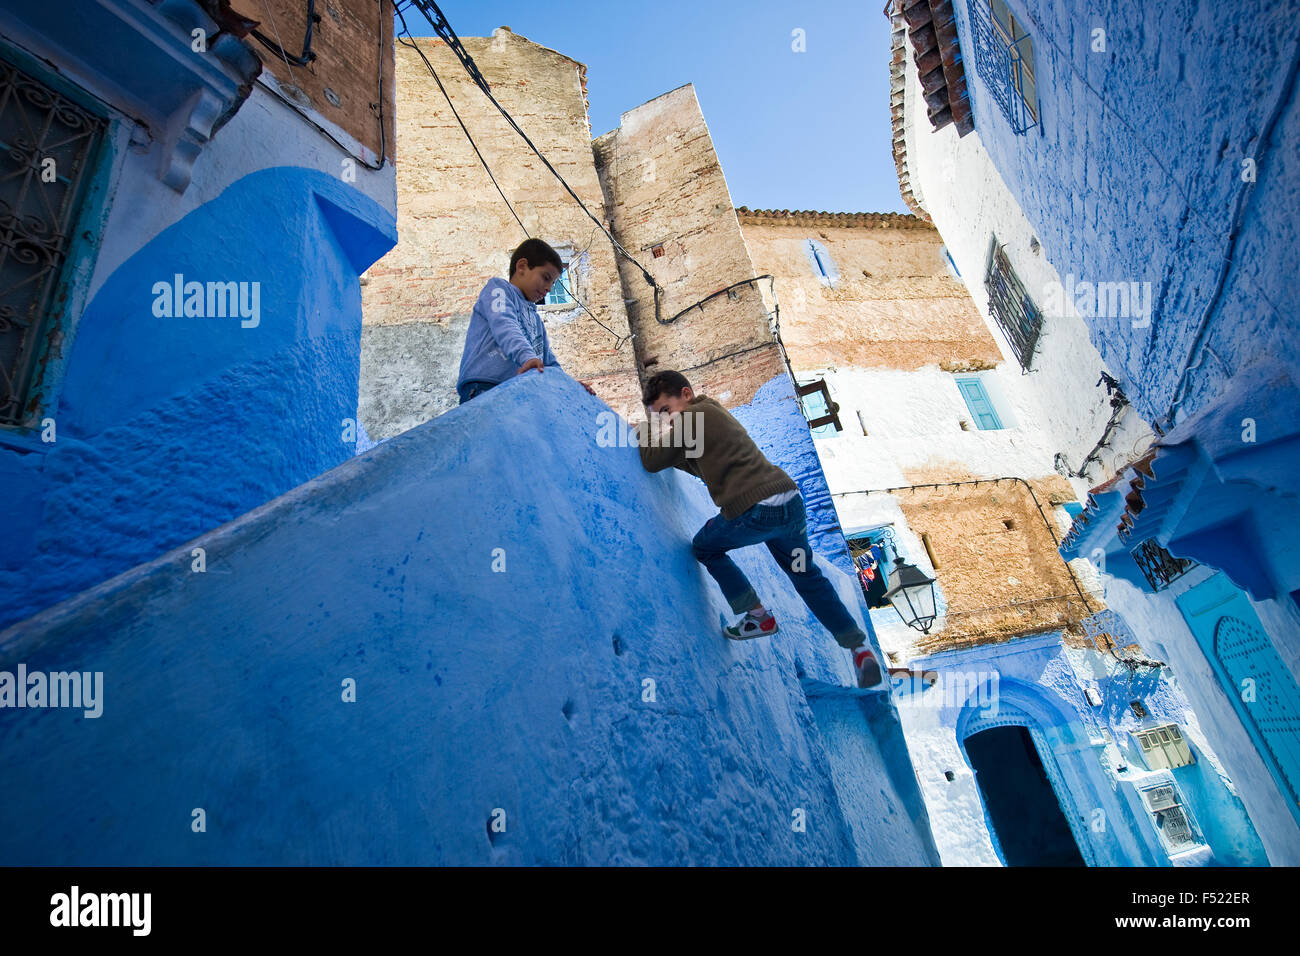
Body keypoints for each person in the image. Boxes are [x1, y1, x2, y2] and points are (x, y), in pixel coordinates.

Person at [637, 369, 883, 689]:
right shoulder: (711, 414)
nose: (666, 421)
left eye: (665, 411)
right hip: (789, 508)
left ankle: (758, 615)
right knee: (806, 575)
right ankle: (859, 648)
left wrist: (642, 431)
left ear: (686, 394)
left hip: (756, 512)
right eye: (659, 418)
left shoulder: (692, 418)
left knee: (706, 547)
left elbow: (652, 461)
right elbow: (690, 460)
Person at [456, 237, 596, 404]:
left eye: (553, 283)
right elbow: (505, 325)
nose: (549, 288)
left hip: (520, 393)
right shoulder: (498, 289)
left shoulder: (536, 321)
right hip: (484, 387)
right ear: (522, 266)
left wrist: (567, 385)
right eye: (546, 277)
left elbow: (548, 363)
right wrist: (527, 357)